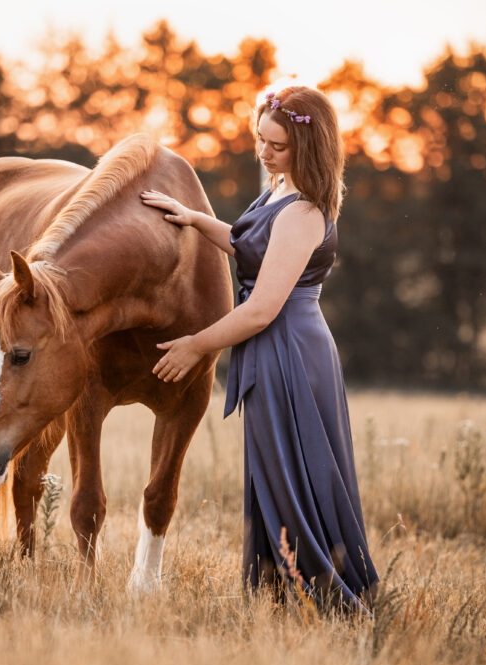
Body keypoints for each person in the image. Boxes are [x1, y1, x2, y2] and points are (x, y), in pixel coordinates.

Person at [140, 85, 379, 614]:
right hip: (272, 346)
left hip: (289, 350)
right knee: (276, 469)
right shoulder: (278, 191)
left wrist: (195, 346)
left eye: (277, 145)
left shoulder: (303, 212)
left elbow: (261, 308)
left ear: (307, 147)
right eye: (260, 140)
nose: (264, 153)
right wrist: (193, 217)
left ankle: (326, 596)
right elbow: (250, 247)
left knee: (294, 471)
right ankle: (280, 592)